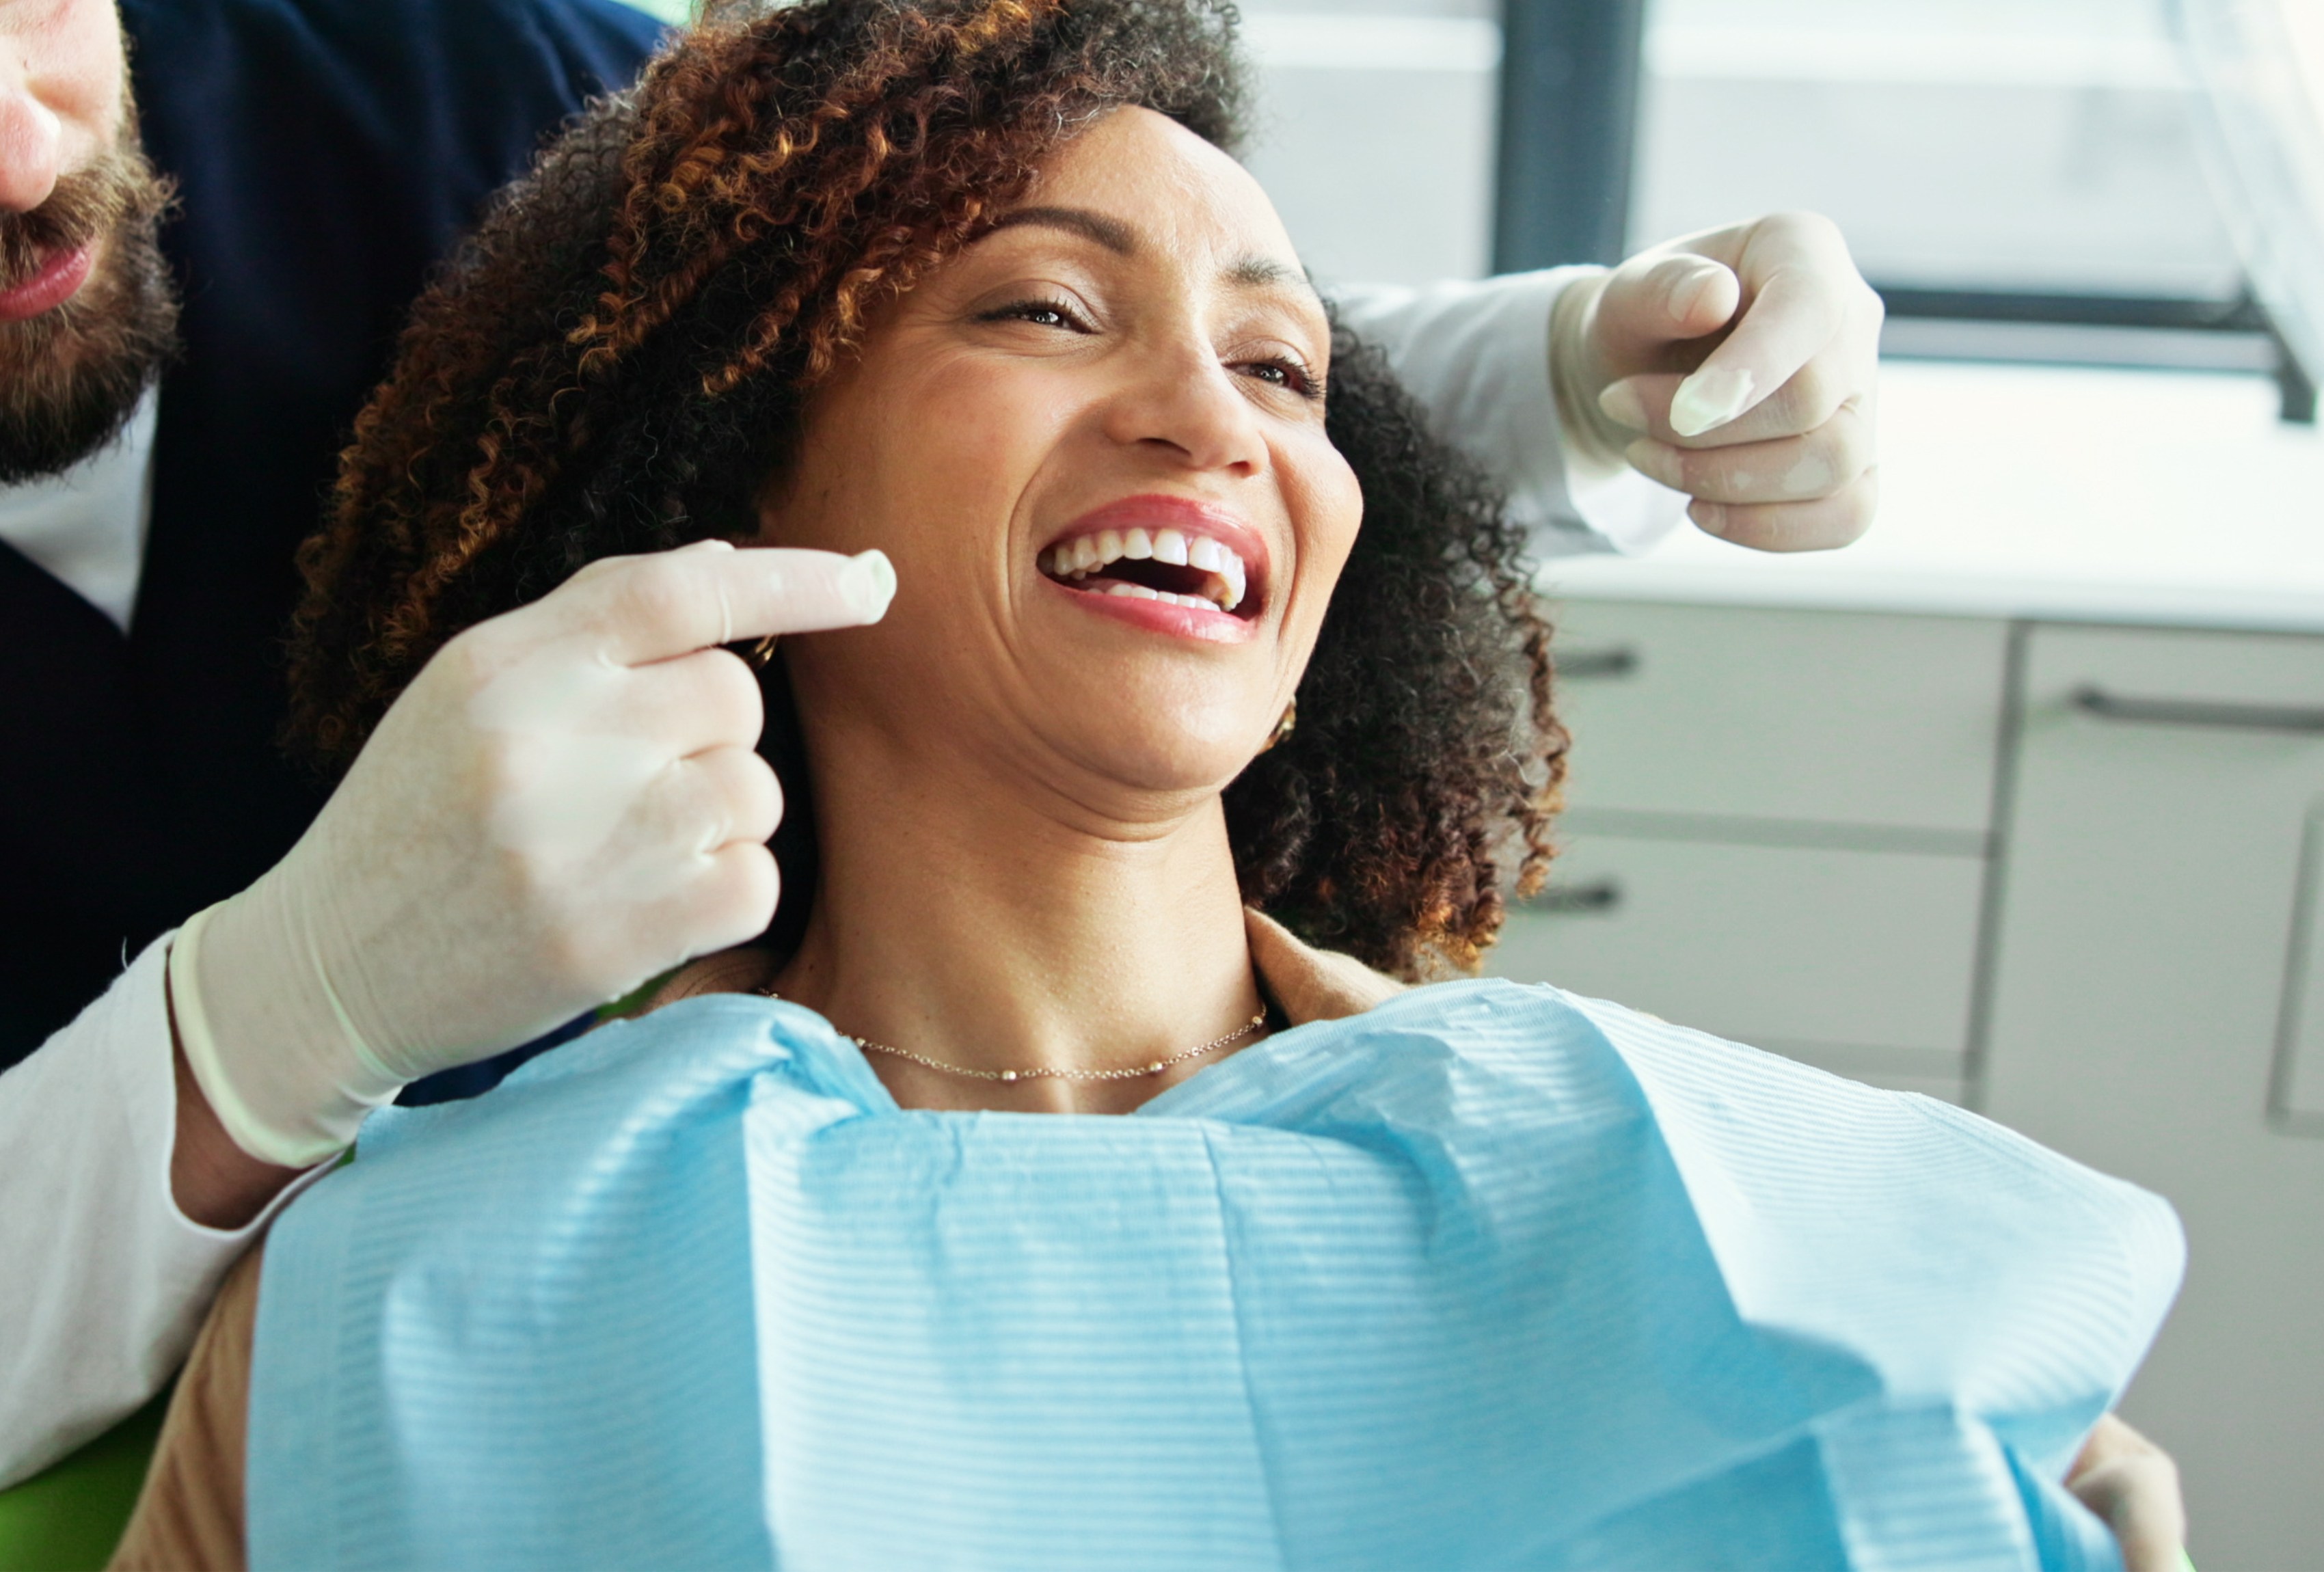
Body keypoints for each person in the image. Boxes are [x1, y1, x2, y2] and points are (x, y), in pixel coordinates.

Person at [109, 5, 2185, 1567]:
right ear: (737, 485)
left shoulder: (1753, 1221)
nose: (1215, 415)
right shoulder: (399, 1318)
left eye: (1286, 370)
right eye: (1045, 306)